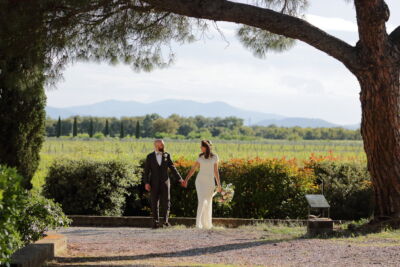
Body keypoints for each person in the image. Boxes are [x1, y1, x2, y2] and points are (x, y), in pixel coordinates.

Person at [143, 139, 185, 229]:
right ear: (156, 146)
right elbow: (146, 172)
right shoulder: (149, 156)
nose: (162, 146)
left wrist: (180, 179)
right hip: (153, 183)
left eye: (163, 145)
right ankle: (155, 222)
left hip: (165, 183)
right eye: (161, 145)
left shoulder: (167, 155)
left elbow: (173, 168)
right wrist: (146, 183)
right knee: (154, 202)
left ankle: (165, 221)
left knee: (166, 202)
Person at [184, 140, 222, 229]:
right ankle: (198, 224)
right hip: (200, 182)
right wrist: (186, 180)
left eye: (202, 146)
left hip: (210, 182)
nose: (200, 148)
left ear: (206, 147)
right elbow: (193, 169)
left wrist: (219, 184)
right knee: (201, 201)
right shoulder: (200, 157)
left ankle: (207, 224)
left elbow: (216, 171)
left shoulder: (215, 157)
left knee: (208, 202)